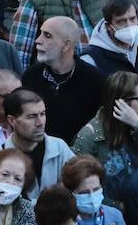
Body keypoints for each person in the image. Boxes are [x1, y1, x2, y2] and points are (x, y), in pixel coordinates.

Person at [23, 14, 105, 144]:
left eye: (47, 35)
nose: (38, 40)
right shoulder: (31, 76)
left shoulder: (95, 80)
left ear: (66, 45)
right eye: (40, 34)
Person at [0, 88, 76, 201]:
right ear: (12, 120)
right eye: (31, 116)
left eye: (42, 114)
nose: (40, 122)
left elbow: (78, 186)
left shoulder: (59, 148)